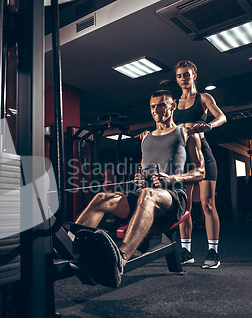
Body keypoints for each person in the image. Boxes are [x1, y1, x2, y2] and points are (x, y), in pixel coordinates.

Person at [72, 90, 205, 288]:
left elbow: (201, 171)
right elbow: (144, 169)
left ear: (173, 106)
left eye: (161, 105)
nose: (156, 110)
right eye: (152, 106)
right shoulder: (146, 139)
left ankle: (120, 259)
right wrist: (140, 178)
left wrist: (173, 178)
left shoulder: (185, 133)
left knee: (148, 194)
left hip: (174, 197)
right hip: (146, 195)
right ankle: (73, 248)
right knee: (102, 198)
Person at [173, 60, 226, 269]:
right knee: (183, 207)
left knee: (207, 204)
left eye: (186, 75)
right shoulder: (174, 103)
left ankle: (213, 251)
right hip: (182, 158)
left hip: (202, 153)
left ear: (194, 75)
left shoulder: (204, 98)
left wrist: (208, 125)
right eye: (179, 76)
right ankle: (186, 251)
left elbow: (221, 117)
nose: (182, 79)